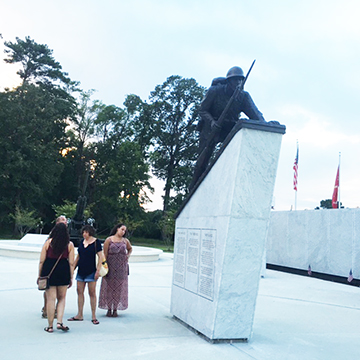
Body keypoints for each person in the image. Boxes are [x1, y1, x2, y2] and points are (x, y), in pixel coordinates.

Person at [190, 66, 266, 189]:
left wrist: (267, 124)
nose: (238, 83)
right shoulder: (215, 91)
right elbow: (202, 110)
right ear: (229, 81)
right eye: (236, 80)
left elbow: (256, 115)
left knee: (231, 155)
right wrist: (211, 122)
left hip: (228, 128)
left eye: (240, 80)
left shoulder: (243, 96)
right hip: (211, 127)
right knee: (203, 159)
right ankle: (193, 187)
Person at [38, 222, 74, 333]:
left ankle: (49, 326)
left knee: (51, 299)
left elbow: (41, 261)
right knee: (62, 298)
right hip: (63, 271)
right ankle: (59, 322)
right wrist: (71, 277)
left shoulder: (48, 243)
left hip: (49, 271)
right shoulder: (69, 245)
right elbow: (71, 263)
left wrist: (40, 275)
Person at [68, 225, 103, 324]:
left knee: (92, 293)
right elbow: (78, 256)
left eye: (86, 232)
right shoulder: (81, 242)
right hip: (81, 271)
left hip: (91, 271)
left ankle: (93, 315)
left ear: (90, 232)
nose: (84, 234)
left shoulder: (96, 243)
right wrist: (73, 268)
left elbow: (101, 257)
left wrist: (98, 270)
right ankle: (79, 314)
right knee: (79, 291)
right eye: (83, 232)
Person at [98, 223, 132, 317]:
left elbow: (130, 249)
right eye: (122, 229)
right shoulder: (109, 240)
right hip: (111, 266)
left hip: (121, 267)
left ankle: (115, 308)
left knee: (118, 288)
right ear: (117, 229)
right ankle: (109, 308)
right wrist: (104, 267)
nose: (123, 232)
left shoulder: (125, 241)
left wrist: (127, 256)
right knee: (109, 287)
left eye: (124, 230)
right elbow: (104, 254)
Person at [41, 215, 68, 319]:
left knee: (59, 293)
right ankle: (46, 307)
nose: (64, 222)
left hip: (57, 266)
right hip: (52, 265)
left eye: (65, 220)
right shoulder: (52, 235)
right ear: (57, 223)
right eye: (62, 220)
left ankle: (55, 310)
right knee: (48, 291)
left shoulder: (66, 235)